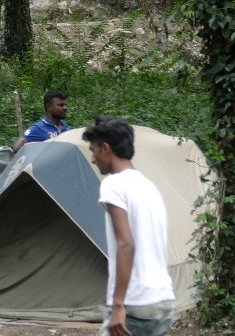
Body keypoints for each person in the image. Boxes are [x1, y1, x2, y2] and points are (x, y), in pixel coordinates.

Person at [84, 116, 175, 336]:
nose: (93, 159)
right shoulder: (148, 186)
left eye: (94, 150)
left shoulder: (113, 185)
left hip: (136, 304)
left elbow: (126, 244)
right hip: (163, 300)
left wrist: (118, 306)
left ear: (106, 148)